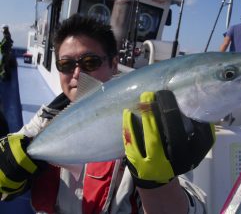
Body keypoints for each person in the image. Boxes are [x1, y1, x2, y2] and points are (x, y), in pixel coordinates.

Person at [0, 14, 215, 213]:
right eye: (66, 64)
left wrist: (158, 184)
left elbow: (194, 206)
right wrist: (8, 173)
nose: (77, 73)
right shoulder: (45, 121)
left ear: (114, 64)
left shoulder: (151, 124)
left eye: (90, 62)